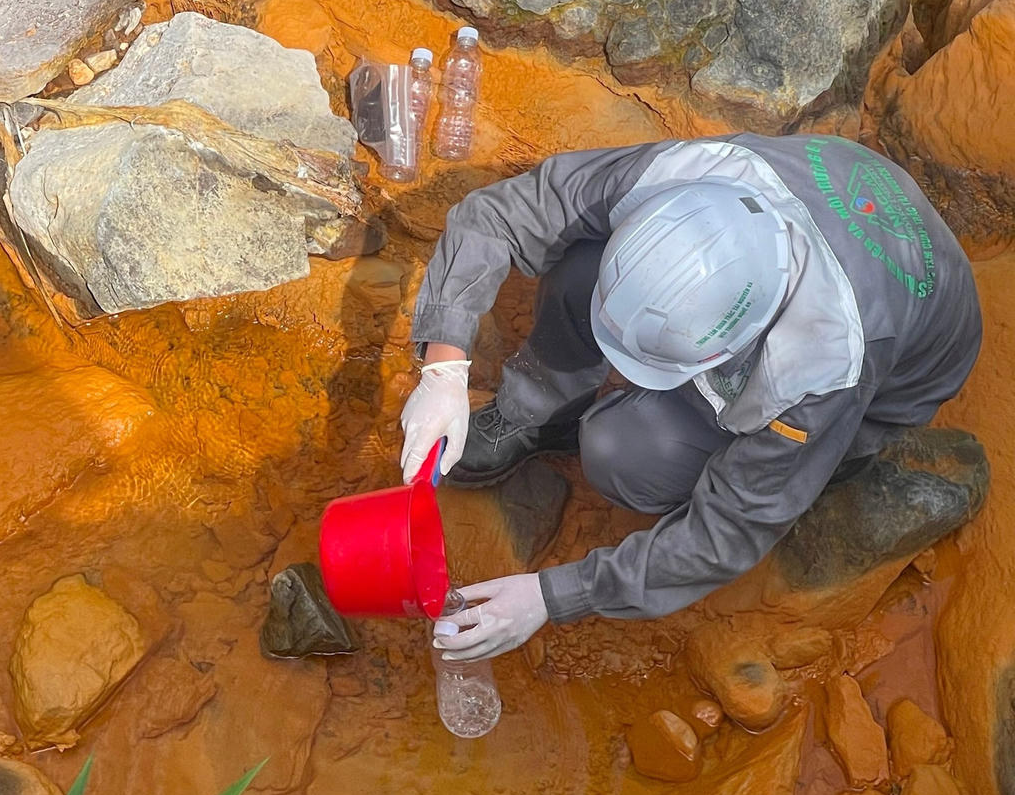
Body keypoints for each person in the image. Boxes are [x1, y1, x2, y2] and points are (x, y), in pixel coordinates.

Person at [398, 134, 982, 662]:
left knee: (622, 451)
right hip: (848, 193)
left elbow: (727, 533)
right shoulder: (686, 176)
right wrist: (444, 370)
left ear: (725, 354)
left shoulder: (825, 366)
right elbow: (499, 214)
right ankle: (538, 414)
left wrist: (551, 596)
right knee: (581, 266)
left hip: (905, 364)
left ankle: (793, 455)